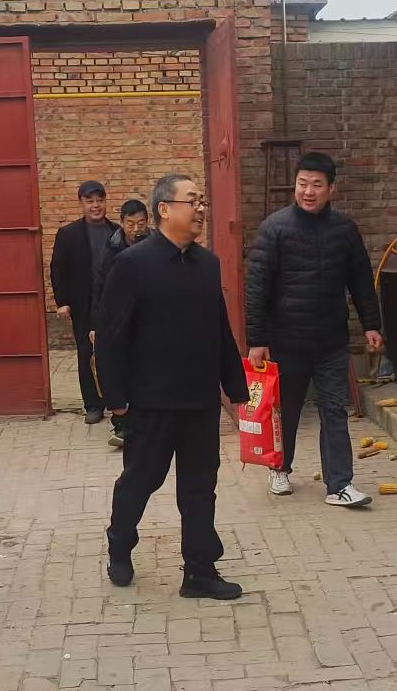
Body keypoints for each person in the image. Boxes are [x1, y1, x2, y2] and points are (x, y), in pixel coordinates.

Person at [96, 174, 249, 599]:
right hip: (151, 401)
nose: (200, 209)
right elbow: (110, 336)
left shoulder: (207, 265)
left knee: (200, 488)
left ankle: (199, 571)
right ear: (164, 209)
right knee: (140, 481)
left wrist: (236, 389)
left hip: (199, 400)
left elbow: (219, 329)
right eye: (191, 201)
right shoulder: (133, 265)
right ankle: (119, 543)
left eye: (202, 202)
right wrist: (116, 399)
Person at [244, 151, 383, 508]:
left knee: (334, 410)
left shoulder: (344, 230)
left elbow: (360, 279)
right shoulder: (274, 228)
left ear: (331, 189)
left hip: (331, 341)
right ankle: (279, 468)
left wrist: (371, 324)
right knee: (286, 411)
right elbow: (257, 288)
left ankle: (340, 484)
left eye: (317, 185)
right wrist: (257, 340)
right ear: (295, 186)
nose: (308, 191)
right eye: (302, 183)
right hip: (286, 341)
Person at [50, 181, 120, 425]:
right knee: (86, 353)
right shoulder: (68, 234)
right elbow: (58, 269)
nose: (95, 206)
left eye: (99, 200)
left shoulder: (117, 232)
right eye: (90, 201)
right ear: (81, 203)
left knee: (114, 352)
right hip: (83, 304)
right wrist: (62, 301)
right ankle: (92, 404)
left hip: (113, 303)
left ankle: (116, 402)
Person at [90, 199, 151, 448]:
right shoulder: (112, 248)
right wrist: (96, 325)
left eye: (141, 223)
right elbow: (100, 288)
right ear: (122, 223)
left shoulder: (156, 245)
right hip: (118, 320)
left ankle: (145, 423)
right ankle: (122, 425)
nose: (136, 229)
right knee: (118, 370)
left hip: (149, 319)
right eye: (130, 223)